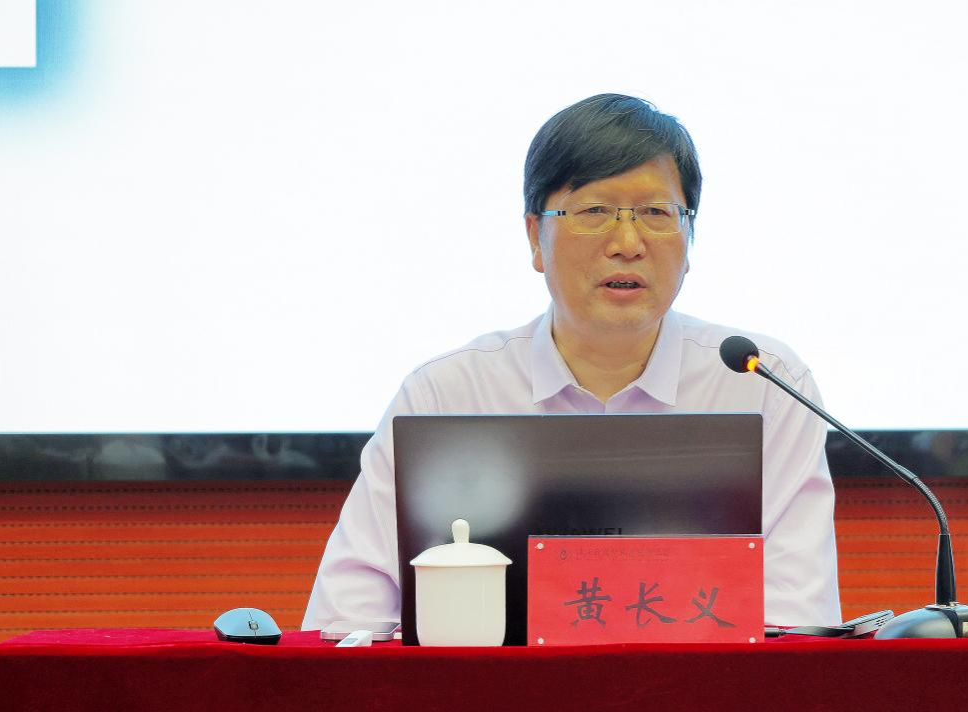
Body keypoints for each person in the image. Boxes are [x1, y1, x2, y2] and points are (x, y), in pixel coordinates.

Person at [302, 94, 842, 630]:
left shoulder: (761, 384)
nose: (627, 243)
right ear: (535, 237)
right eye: (594, 212)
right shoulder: (447, 393)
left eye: (656, 213)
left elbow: (797, 620)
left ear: (689, 236)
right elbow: (346, 619)